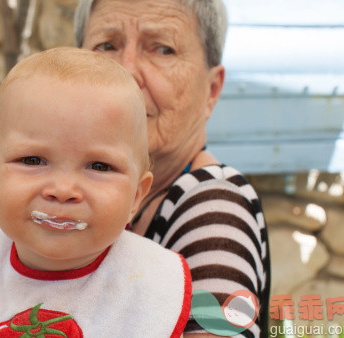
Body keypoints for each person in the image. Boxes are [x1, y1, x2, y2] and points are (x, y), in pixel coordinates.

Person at [0, 47, 192, 338]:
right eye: (33, 160)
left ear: (135, 196)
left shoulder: (149, 289)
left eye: (99, 166)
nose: (63, 190)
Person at [75, 0, 271, 336]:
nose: (127, 71)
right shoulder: (66, 195)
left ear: (211, 91)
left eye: (163, 49)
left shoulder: (214, 206)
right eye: (106, 45)